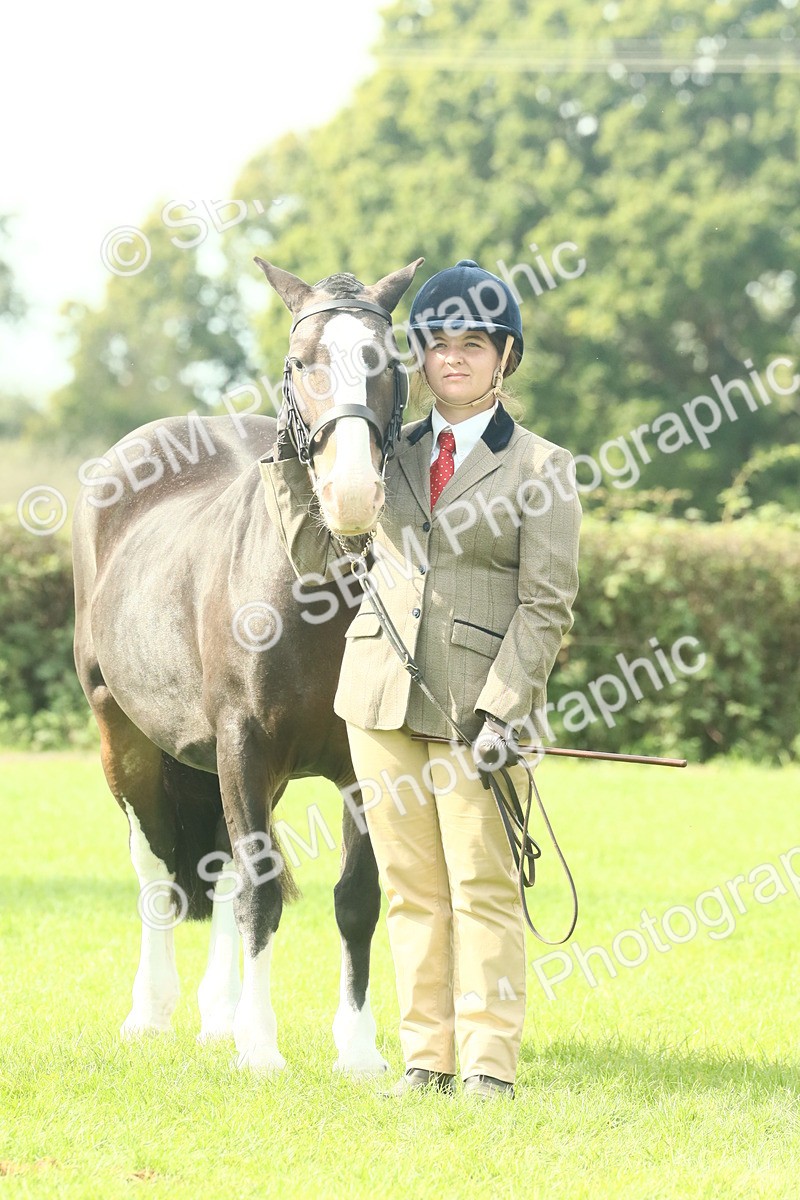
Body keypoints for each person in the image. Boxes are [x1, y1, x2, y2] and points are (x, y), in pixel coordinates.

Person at [261, 259, 581, 1099]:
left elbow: (546, 608)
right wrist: (289, 458)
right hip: (378, 702)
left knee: (483, 888)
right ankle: (426, 1059)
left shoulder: (543, 470)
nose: (453, 360)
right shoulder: (385, 456)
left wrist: (503, 710)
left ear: (505, 357)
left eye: (472, 345)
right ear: (420, 361)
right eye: (438, 346)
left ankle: (487, 1067)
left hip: (480, 715)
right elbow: (312, 559)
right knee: (409, 889)